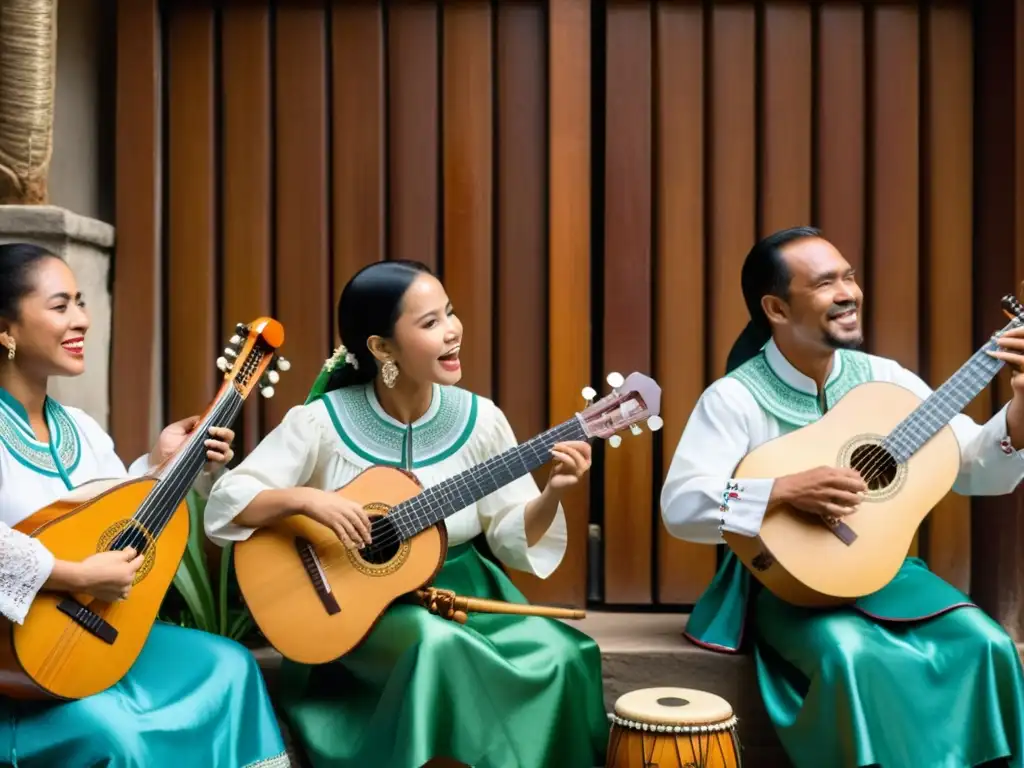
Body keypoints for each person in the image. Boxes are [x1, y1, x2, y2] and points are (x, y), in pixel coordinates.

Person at [203, 259, 608, 768]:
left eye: (450, 313)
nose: (453, 331)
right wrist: (308, 499)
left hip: (466, 595)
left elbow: (509, 534)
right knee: (432, 647)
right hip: (352, 610)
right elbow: (226, 502)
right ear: (380, 347)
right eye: (430, 322)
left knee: (566, 656)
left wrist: (552, 494)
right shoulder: (322, 422)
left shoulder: (481, 420)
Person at [660, 226, 1024, 768]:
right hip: (786, 585)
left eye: (849, 276)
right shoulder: (735, 397)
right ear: (776, 309)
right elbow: (681, 506)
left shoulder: (885, 379)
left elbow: (970, 465)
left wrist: (1019, 412)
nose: (848, 292)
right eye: (826, 283)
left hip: (884, 569)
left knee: (988, 643)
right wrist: (782, 491)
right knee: (852, 656)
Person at [0, 242, 289, 767]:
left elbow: (114, 517)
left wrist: (163, 465)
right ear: (6, 329)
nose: (82, 319)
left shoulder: (79, 429)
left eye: (81, 303)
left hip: (88, 640)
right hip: (11, 668)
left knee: (230, 666)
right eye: (60, 306)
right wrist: (75, 576)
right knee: (115, 736)